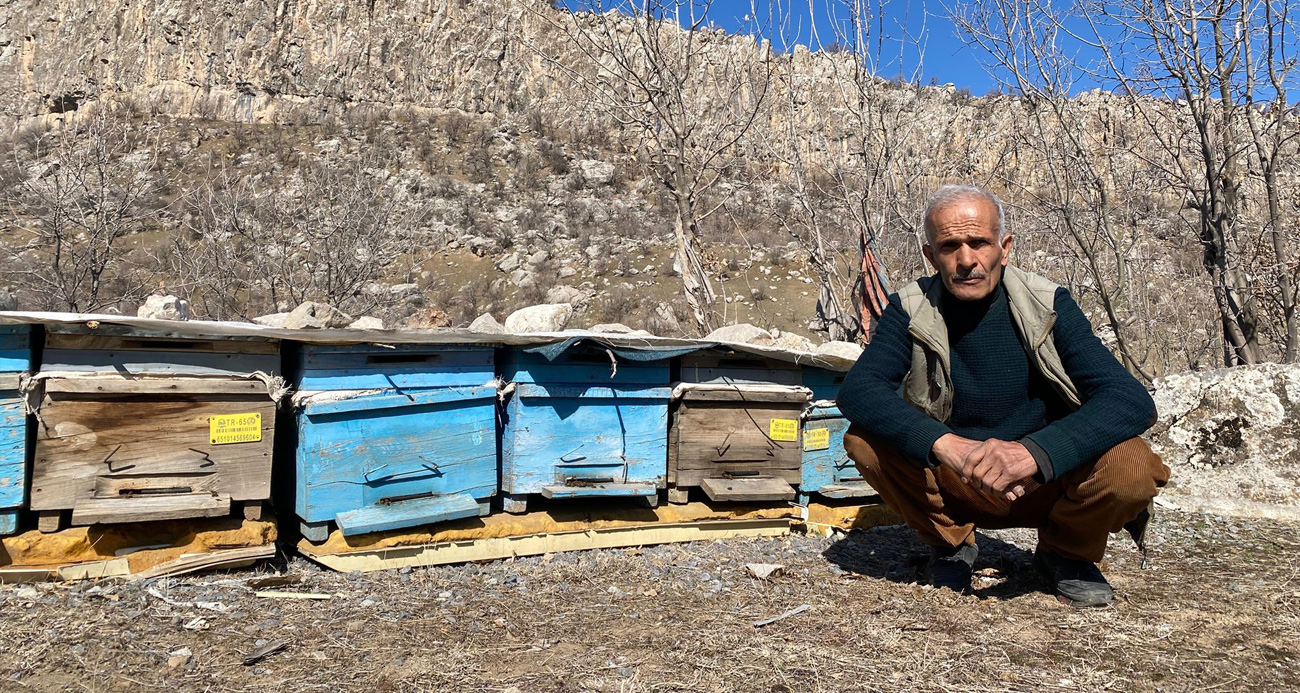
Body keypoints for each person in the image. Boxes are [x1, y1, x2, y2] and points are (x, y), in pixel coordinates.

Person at [837, 184, 1170, 607]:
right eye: (949, 246)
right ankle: (952, 545)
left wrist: (1035, 454)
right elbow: (859, 390)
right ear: (930, 255)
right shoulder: (910, 307)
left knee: (1132, 466)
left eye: (979, 242)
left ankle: (1065, 554)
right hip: (960, 476)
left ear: (1004, 247)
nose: (966, 260)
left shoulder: (1048, 303)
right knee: (864, 439)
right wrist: (946, 445)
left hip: (1049, 479)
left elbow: (1130, 400)